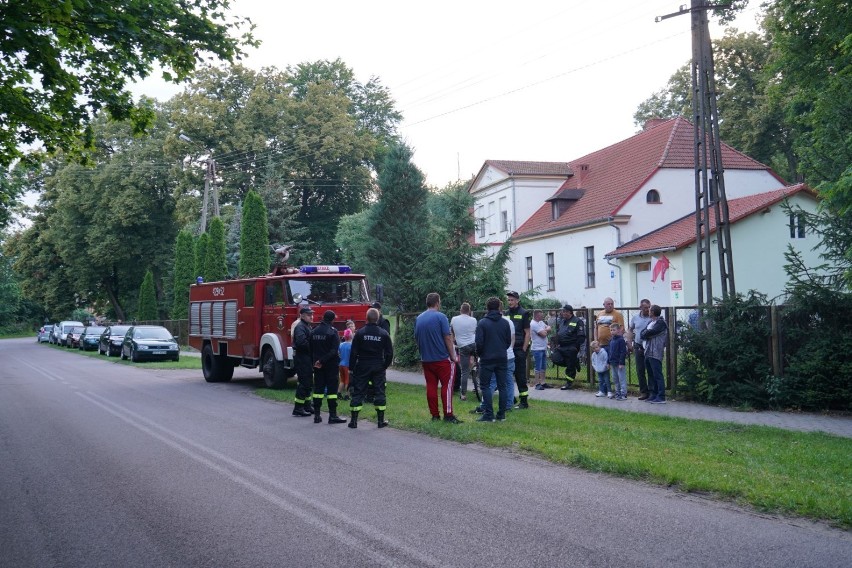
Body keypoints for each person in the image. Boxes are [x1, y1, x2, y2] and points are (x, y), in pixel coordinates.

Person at [414, 292, 462, 423]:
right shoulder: (441, 317)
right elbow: (447, 337)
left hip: (426, 359)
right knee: (447, 386)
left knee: (431, 386)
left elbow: (417, 338)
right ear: (437, 303)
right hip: (441, 359)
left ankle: (434, 415)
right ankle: (448, 415)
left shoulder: (419, 318)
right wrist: (453, 356)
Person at [348, 307, 394, 429]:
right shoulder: (384, 334)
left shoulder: (360, 333)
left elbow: (353, 353)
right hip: (378, 365)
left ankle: (353, 421)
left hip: (362, 365)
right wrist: (384, 366)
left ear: (366, 318)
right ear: (378, 318)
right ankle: (380, 421)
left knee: (358, 391)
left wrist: (351, 368)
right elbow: (389, 353)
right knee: (379, 392)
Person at [474, 297, 513, 422]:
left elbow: (479, 343)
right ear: (499, 307)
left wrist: (480, 354)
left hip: (487, 358)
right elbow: (508, 341)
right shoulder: (505, 323)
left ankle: (489, 414)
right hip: (502, 357)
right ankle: (501, 414)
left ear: (487, 308)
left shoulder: (483, 323)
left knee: (485, 386)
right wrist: (501, 350)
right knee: (503, 386)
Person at [310, 310, 346, 424]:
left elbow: (310, 349)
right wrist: (322, 360)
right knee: (331, 392)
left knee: (318, 390)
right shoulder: (333, 332)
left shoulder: (314, 331)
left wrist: (316, 361)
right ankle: (333, 415)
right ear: (332, 320)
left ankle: (316, 415)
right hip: (330, 366)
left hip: (317, 366)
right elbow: (334, 351)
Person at [505, 291, 532, 409]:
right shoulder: (505, 314)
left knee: (520, 375)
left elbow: (527, 332)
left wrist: (524, 349)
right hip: (508, 349)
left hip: (519, 348)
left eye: (512, 300)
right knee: (507, 374)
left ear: (517, 300)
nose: (510, 302)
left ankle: (524, 401)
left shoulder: (524, 313)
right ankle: (512, 398)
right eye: (509, 300)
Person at [593, 297, 625, 395]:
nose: (610, 305)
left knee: (613, 369)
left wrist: (615, 339)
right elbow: (596, 328)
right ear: (604, 305)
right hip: (600, 345)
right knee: (602, 368)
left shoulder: (617, 314)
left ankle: (615, 391)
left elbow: (622, 329)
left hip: (611, 345)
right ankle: (603, 390)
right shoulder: (599, 314)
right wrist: (595, 340)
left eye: (612, 303)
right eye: (608, 304)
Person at [640, 304, 668, 404]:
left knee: (657, 375)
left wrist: (646, 333)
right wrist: (645, 333)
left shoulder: (661, 323)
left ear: (653, 312)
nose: (648, 311)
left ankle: (661, 396)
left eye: (650, 309)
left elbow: (650, 333)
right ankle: (653, 395)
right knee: (651, 375)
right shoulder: (650, 322)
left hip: (655, 352)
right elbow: (642, 333)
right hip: (647, 352)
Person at [451, 303, 478, 401]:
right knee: (477, 363)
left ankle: (463, 394)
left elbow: (452, 332)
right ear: (469, 311)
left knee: (464, 371)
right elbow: (474, 332)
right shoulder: (473, 320)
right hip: (473, 345)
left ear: (460, 310)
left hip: (462, 346)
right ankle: (475, 369)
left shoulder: (454, 319)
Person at [555, 305, 586, 389]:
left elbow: (581, 336)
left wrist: (575, 347)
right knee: (555, 359)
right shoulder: (562, 321)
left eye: (564, 311)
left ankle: (569, 383)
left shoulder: (577, 321)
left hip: (571, 347)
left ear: (569, 312)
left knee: (570, 366)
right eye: (562, 311)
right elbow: (558, 332)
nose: (562, 313)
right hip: (561, 347)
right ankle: (575, 362)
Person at [291, 307, 315, 417]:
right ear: (302, 315)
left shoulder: (307, 326)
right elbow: (301, 343)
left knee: (308, 382)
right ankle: (298, 408)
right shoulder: (300, 327)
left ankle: (307, 405)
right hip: (302, 357)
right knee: (304, 382)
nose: (311, 316)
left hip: (307, 357)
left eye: (312, 314)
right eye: (308, 314)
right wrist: (315, 347)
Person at [629, 299, 653, 400]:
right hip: (638, 346)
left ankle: (652, 392)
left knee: (651, 370)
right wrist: (629, 342)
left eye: (649, 307)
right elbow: (630, 329)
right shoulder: (635, 318)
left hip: (650, 347)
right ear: (640, 308)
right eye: (645, 307)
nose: (647, 309)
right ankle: (644, 392)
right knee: (640, 370)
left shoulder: (653, 318)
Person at [530, 309, 551, 390]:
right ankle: (537, 384)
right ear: (537, 316)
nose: (542, 316)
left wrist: (545, 330)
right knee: (537, 366)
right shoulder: (533, 324)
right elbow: (543, 334)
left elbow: (549, 327)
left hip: (543, 347)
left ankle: (543, 382)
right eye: (541, 315)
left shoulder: (541, 322)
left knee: (543, 366)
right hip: (537, 348)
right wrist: (545, 331)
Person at [608, 323, 628, 400]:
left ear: (618, 330)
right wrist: (608, 362)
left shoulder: (621, 340)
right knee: (615, 379)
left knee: (621, 379)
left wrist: (621, 362)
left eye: (614, 330)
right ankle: (617, 392)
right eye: (611, 330)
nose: (612, 331)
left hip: (619, 363)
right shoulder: (611, 340)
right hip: (613, 363)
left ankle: (624, 394)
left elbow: (623, 352)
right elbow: (610, 352)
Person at [338, 328, 353, 400]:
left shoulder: (341, 345)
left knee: (342, 380)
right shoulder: (352, 345)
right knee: (348, 381)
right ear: (351, 336)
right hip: (348, 365)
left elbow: (339, 353)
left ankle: (339, 393)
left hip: (341, 364)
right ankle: (347, 395)